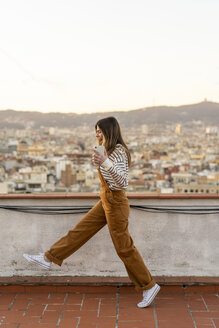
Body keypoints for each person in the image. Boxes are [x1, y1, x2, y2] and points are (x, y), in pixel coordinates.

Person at [23, 116, 160, 308]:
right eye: (95, 131)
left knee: (124, 248)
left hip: (116, 202)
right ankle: (48, 258)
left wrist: (104, 162)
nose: (97, 134)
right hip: (106, 199)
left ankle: (148, 285)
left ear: (109, 131)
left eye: (100, 131)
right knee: (80, 231)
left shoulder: (119, 151)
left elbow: (122, 182)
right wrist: (101, 159)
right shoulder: (107, 150)